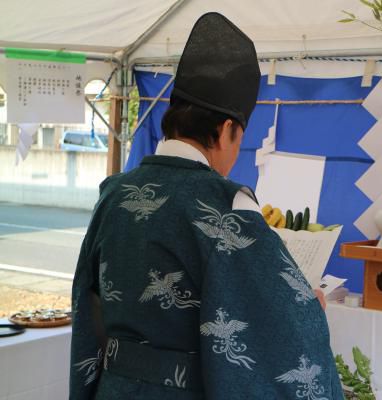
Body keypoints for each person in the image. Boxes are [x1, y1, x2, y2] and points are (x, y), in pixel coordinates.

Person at [69, 12, 343, 400]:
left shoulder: (113, 193)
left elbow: (86, 308)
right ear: (227, 129)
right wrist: (308, 307)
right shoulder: (227, 206)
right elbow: (273, 322)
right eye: (239, 139)